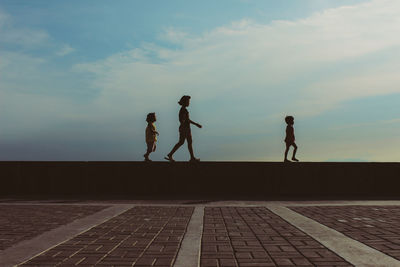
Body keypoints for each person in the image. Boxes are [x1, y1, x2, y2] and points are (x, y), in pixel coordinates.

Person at [165, 95, 202, 162]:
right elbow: (185, 120)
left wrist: (194, 124)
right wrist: (196, 124)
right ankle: (170, 154)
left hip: (186, 128)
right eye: (188, 101)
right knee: (182, 142)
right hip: (185, 129)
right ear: (184, 102)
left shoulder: (184, 110)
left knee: (188, 142)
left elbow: (186, 120)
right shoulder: (183, 110)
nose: (189, 103)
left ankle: (192, 157)